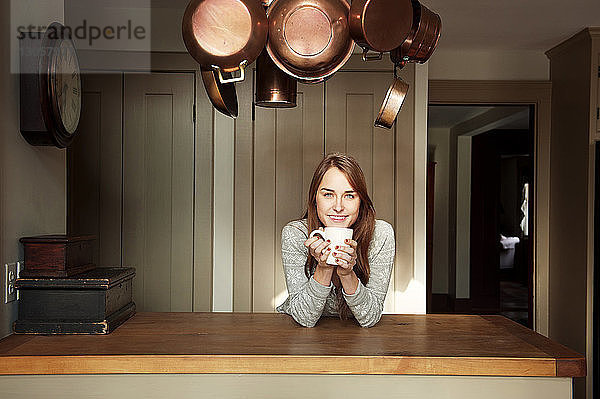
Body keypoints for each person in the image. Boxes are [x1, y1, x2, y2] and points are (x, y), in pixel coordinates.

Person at [276, 153, 395, 328]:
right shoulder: (295, 234)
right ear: (315, 198)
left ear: (360, 201)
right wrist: (324, 269)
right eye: (328, 194)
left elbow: (369, 318)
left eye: (349, 195)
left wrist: (347, 274)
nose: (338, 207)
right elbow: (304, 318)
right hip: (297, 334)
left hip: (356, 337)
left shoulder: (380, 234)